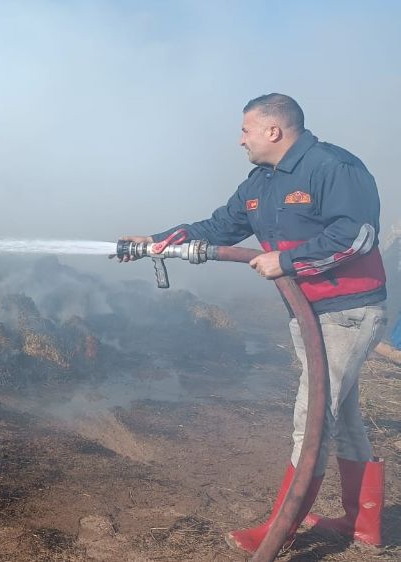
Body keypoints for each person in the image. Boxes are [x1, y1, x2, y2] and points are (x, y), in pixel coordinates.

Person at [116, 93, 386, 553]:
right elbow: (221, 226)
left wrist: (288, 260)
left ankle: (281, 529)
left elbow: (357, 236)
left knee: (314, 418)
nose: (240, 140)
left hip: (347, 311)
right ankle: (363, 525)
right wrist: (157, 242)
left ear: (273, 131)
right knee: (342, 418)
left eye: (245, 130)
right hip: (307, 311)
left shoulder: (334, 167)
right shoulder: (261, 181)